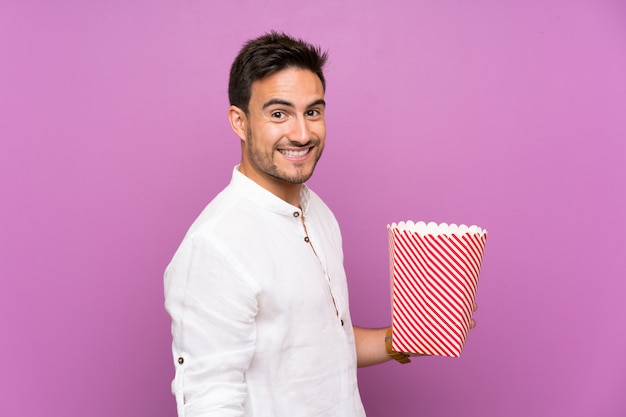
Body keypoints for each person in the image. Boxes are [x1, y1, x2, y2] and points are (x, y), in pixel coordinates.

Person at [165, 31, 467, 416]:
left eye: (312, 111)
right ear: (239, 122)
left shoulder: (317, 211)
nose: (303, 133)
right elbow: (210, 402)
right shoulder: (215, 246)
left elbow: (322, 343)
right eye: (279, 114)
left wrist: (406, 338)